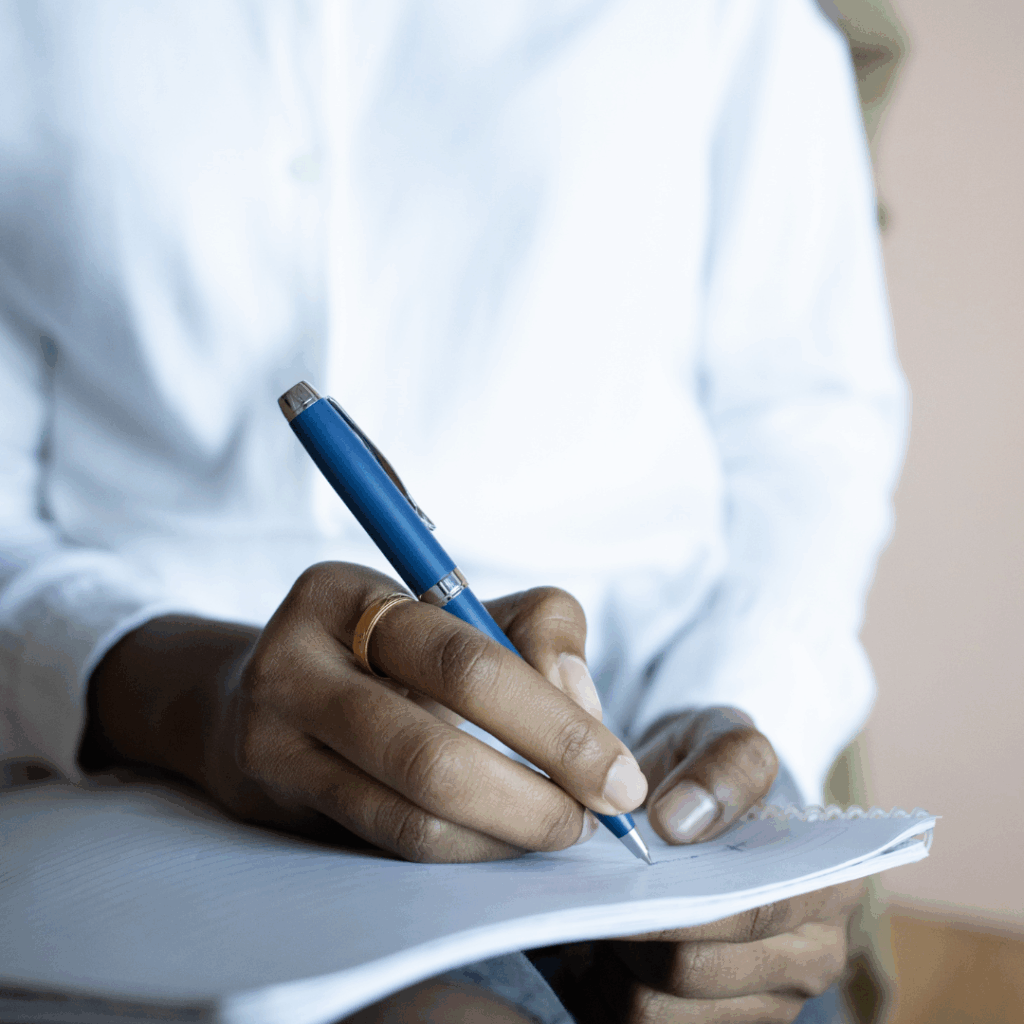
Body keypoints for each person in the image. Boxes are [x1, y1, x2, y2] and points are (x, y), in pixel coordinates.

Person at [0, 1, 906, 1021]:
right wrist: (195, 695)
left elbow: (807, 423)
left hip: (660, 731)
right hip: (139, 770)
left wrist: (748, 713)